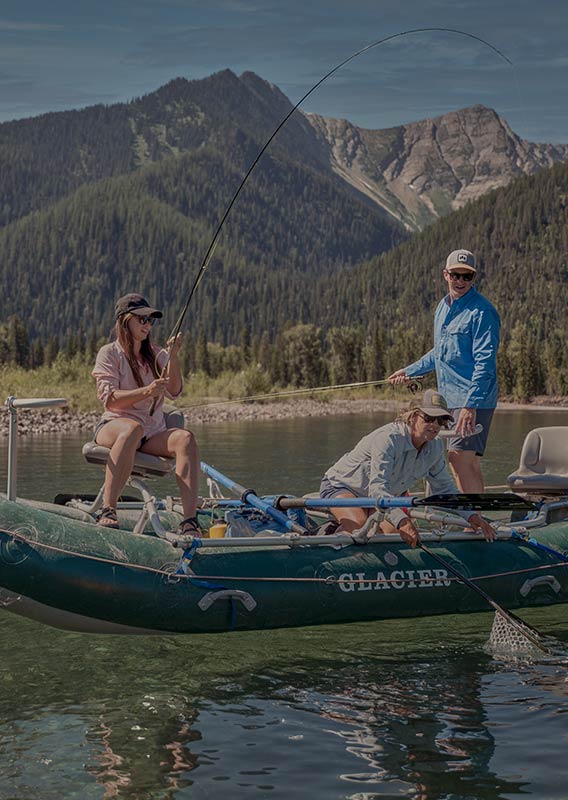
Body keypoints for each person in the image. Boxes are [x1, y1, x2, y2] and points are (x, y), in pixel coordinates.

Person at [320, 390, 496, 547]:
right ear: (413, 416)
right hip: (342, 486)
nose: (434, 425)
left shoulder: (434, 447)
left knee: (393, 537)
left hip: (379, 498)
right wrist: (403, 521)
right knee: (363, 531)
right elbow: (378, 488)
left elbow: (444, 489)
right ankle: (331, 533)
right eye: (428, 418)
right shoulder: (388, 439)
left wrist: (471, 515)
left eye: (441, 420)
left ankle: (343, 527)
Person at [389, 249, 500, 493]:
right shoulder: (442, 307)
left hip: (474, 399)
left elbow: (485, 362)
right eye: (455, 275)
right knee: (458, 460)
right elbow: (438, 353)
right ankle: (467, 516)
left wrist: (470, 405)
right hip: (448, 399)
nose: (460, 281)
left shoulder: (483, 312)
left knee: (460, 458)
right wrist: (409, 371)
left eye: (466, 276)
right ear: (445, 275)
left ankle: (476, 522)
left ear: (474, 278)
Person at [92, 292, 200, 536]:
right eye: (142, 319)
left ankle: (190, 521)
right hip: (114, 425)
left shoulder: (157, 354)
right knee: (131, 428)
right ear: (124, 320)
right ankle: (108, 509)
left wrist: (173, 356)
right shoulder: (109, 353)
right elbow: (109, 398)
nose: (147, 325)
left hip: (151, 433)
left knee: (186, 439)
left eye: (150, 320)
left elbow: (174, 390)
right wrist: (146, 391)